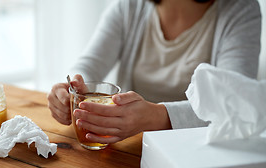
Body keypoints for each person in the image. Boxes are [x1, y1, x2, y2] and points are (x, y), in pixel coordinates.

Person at [47, 0, 261, 144]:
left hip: (194, 150)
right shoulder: (130, 6)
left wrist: (156, 117)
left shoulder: (241, 10)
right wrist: (69, 89)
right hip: (128, 146)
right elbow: (89, 64)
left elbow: (235, 105)